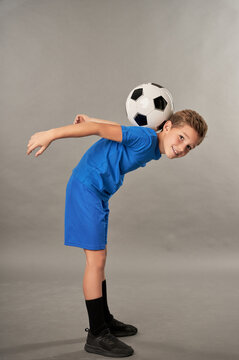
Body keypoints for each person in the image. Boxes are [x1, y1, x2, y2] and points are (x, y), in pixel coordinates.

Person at [26, 109, 208, 357]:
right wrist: (52, 134)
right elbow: (100, 132)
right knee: (96, 261)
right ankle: (97, 335)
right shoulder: (146, 139)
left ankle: (105, 319)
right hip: (86, 189)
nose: (183, 147)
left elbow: (118, 131)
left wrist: (93, 119)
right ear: (166, 127)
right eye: (181, 138)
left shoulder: (152, 144)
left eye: (190, 147)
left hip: (98, 193)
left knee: (101, 259)